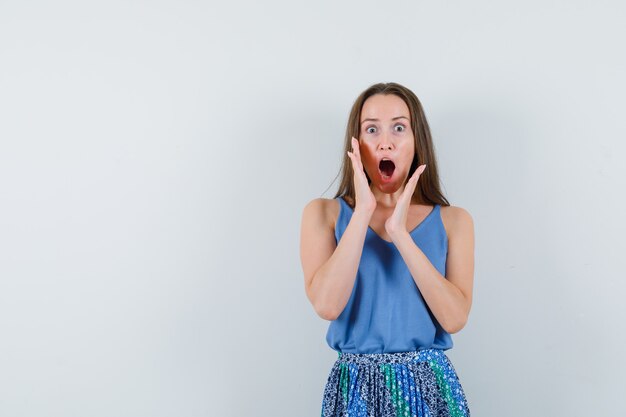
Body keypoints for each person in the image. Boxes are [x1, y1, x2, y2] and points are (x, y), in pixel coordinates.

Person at [300, 82, 474, 416]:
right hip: (354, 391)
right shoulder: (323, 214)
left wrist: (400, 233)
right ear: (356, 144)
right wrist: (363, 211)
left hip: (430, 389)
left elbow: (454, 318)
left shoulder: (455, 221)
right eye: (371, 129)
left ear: (415, 141)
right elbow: (327, 305)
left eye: (399, 127)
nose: (385, 141)